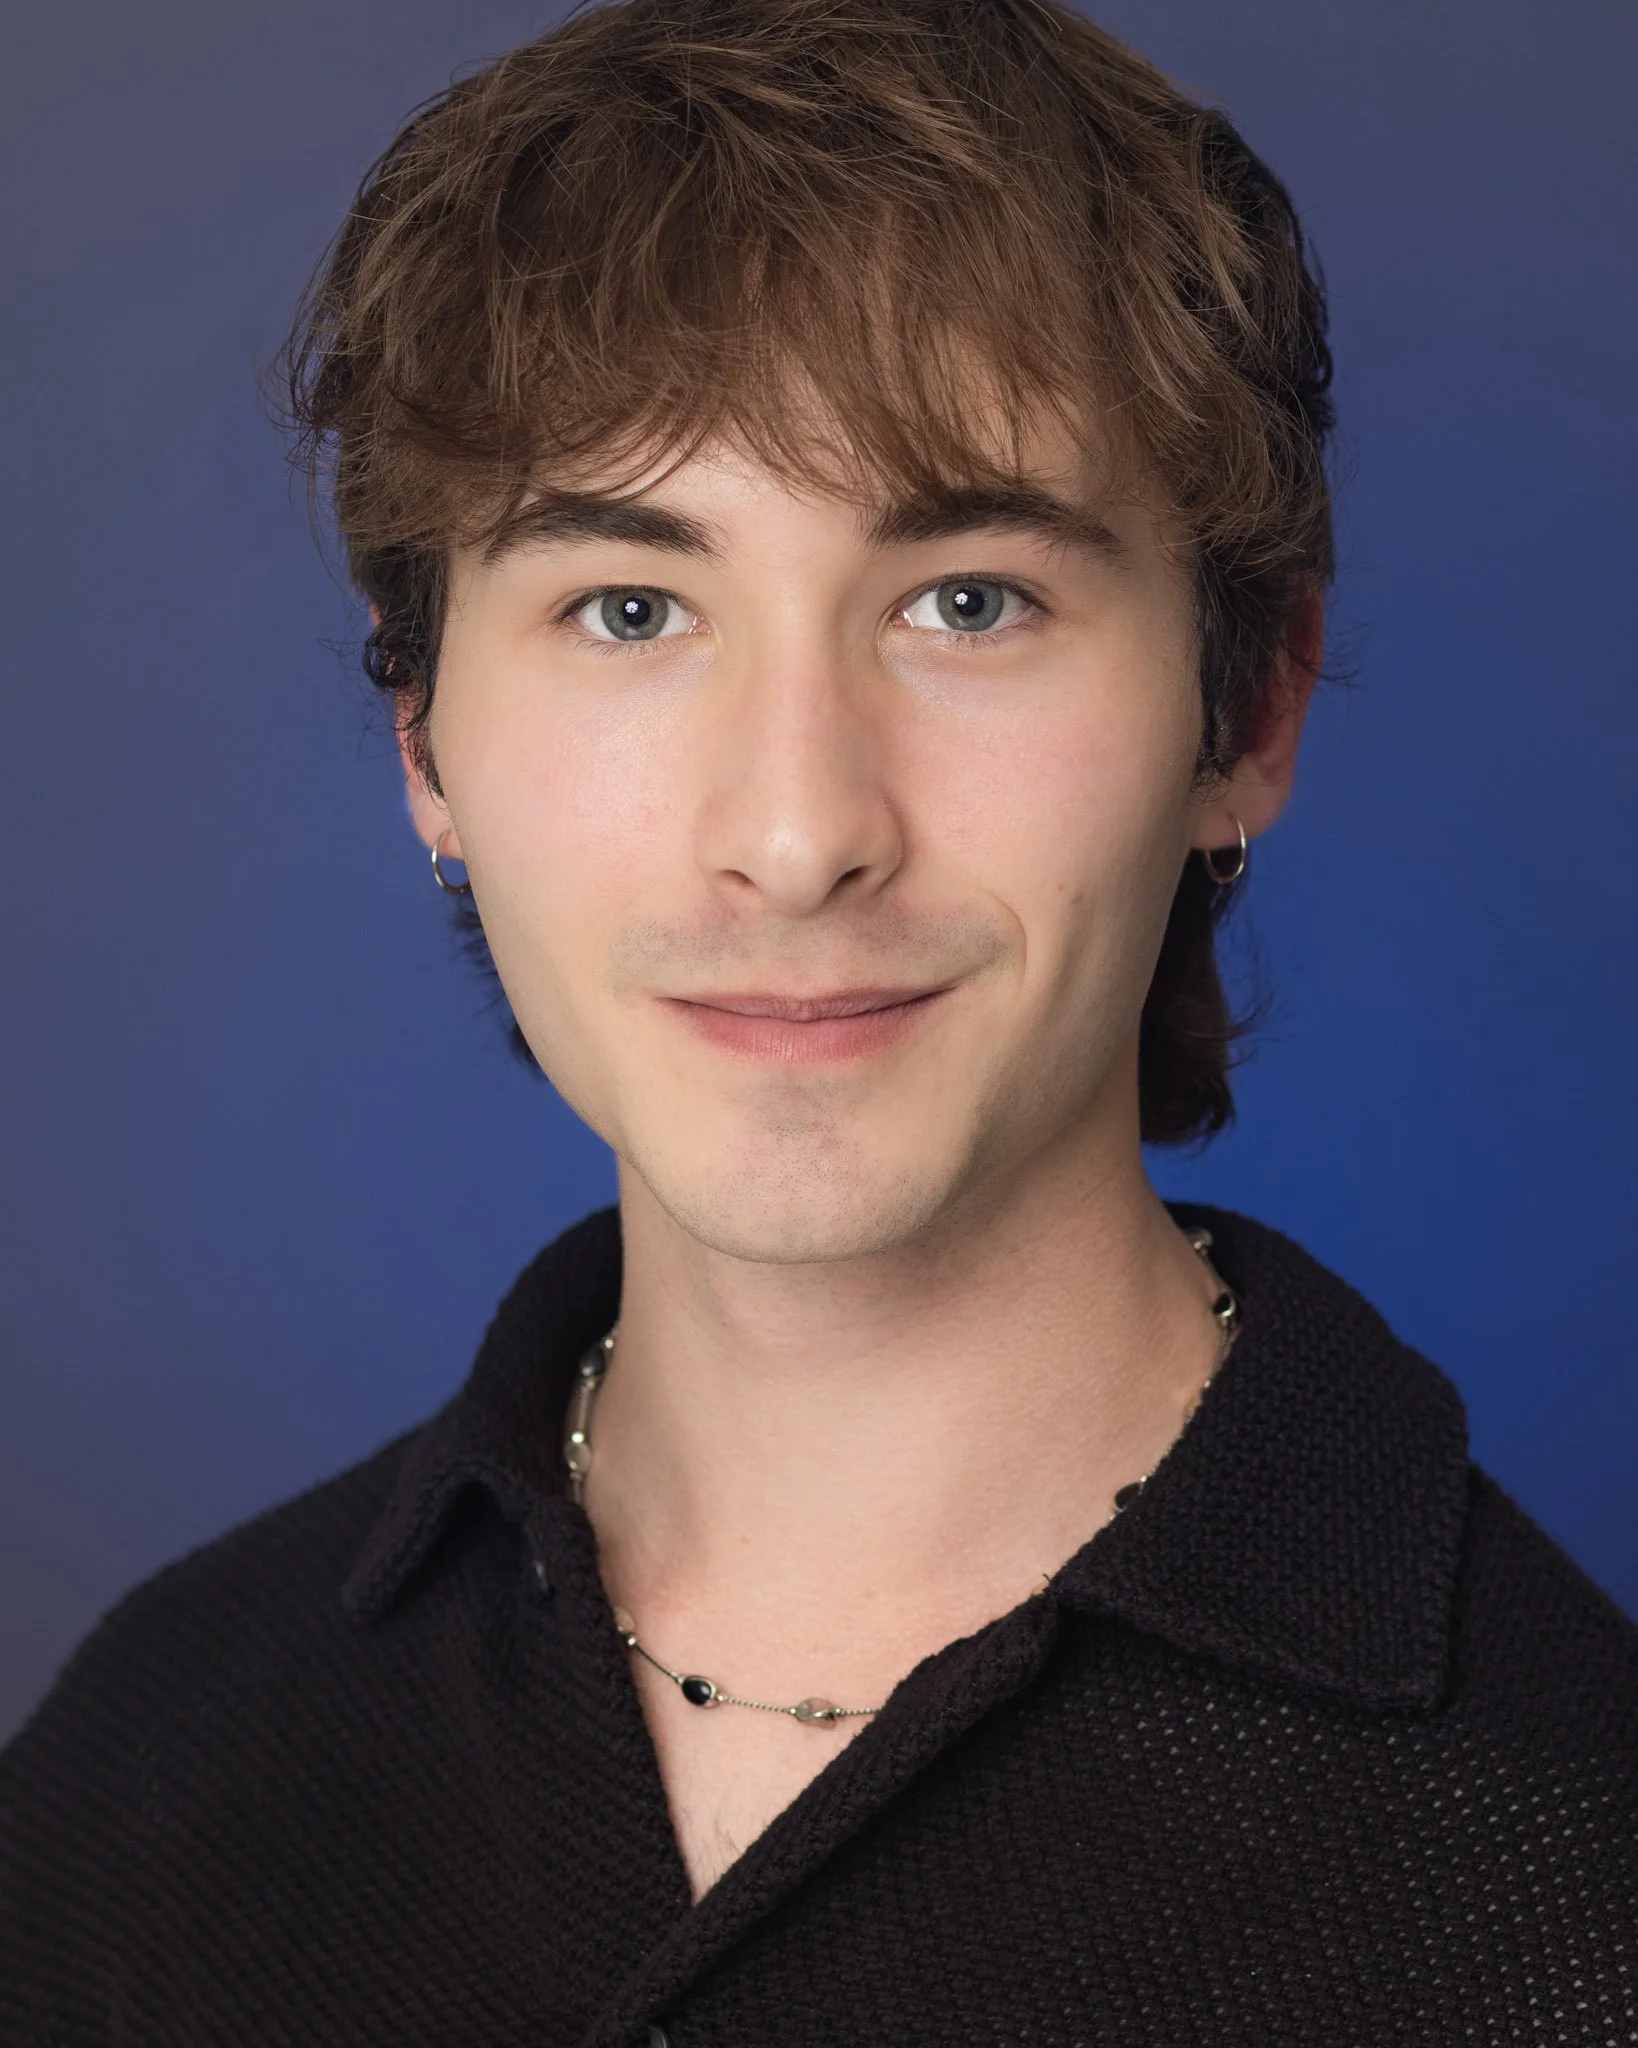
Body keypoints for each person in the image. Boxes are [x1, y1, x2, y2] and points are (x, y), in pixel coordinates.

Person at [3, 0, 1634, 2039]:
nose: (793, 834)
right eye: (629, 607)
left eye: (968, 600)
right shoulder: (140, 1770)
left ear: (1249, 711)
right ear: (424, 736)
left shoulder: (1583, 1878)